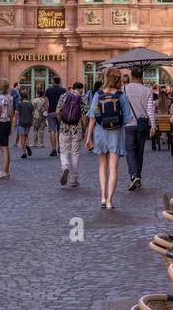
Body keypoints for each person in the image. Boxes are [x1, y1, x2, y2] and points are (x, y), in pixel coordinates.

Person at [84, 68, 129, 210]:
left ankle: (103, 196)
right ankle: (110, 200)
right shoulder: (122, 96)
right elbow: (127, 118)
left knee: (102, 166)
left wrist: (88, 136)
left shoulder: (98, 94)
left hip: (100, 132)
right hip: (116, 134)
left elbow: (92, 116)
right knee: (113, 167)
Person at [123, 67, 157, 191]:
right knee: (139, 152)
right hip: (142, 124)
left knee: (130, 151)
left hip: (128, 124)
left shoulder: (124, 89)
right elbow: (150, 110)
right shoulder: (147, 90)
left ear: (132, 76)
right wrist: (153, 126)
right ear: (141, 76)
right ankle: (138, 176)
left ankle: (133, 176)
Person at [56, 81, 85, 187]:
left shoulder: (63, 96)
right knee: (75, 153)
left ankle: (65, 166)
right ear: (80, 89)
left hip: (64, 127)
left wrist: (61, 122)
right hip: (77, 128)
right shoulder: (82, 98)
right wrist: (84, 129)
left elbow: (57, 111)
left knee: (63, 151)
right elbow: (84, 116)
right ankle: (74, 179)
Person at [0, 78, 17, 180]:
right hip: (7, 123)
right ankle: (6, 170)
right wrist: (11, 125)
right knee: (5, 147)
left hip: (1, 124)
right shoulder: (10, 98)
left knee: (4, 148)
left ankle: (4, 171)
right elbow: (11, 114)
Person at [44, 75, 64, 157]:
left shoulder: (49, 90)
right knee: (60, 130)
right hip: (61, 112)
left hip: (51, 112)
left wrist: (47, 110)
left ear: (53, 81)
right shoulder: (63, 90)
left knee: (52, 130)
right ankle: (60, 147)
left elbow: (46, 102)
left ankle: (53, 149)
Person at [17, 90, 34, 158]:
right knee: (26, 135)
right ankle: (28, 146)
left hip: (22, 122)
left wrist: (17, 119)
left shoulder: (20, 104)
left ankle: (24, 153)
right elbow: (32, 113)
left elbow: (17, 113)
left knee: (22, 137)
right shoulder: (30, 104)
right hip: (29, 122)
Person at [31, 84, 48, 149]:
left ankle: (35, 143)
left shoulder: (35, 100)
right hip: (43, 116)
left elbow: (33, 108)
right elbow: (47, 107)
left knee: (35, 129)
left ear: (38, 94)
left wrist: (32, 114)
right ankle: (41, 143)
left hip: (37, 116)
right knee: (41, 130)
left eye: (36, 93)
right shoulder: (45, 100)